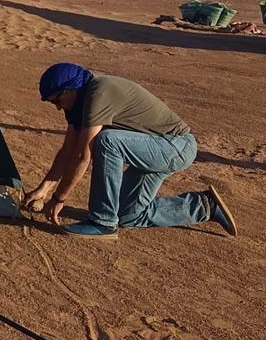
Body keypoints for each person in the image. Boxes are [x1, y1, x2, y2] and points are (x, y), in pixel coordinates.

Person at [22, 63, 237, 240]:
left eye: (57, 101)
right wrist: (44, 189)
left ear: (70, 90)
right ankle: (203, 206)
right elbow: (67, 151)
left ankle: (102, 222)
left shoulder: (98, 93)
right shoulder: (78, 107)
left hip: (176, 146)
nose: (58, 108)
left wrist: (59, 199)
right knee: (127, 215)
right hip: (154, 149)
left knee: (106, 142)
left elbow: (82, 156)